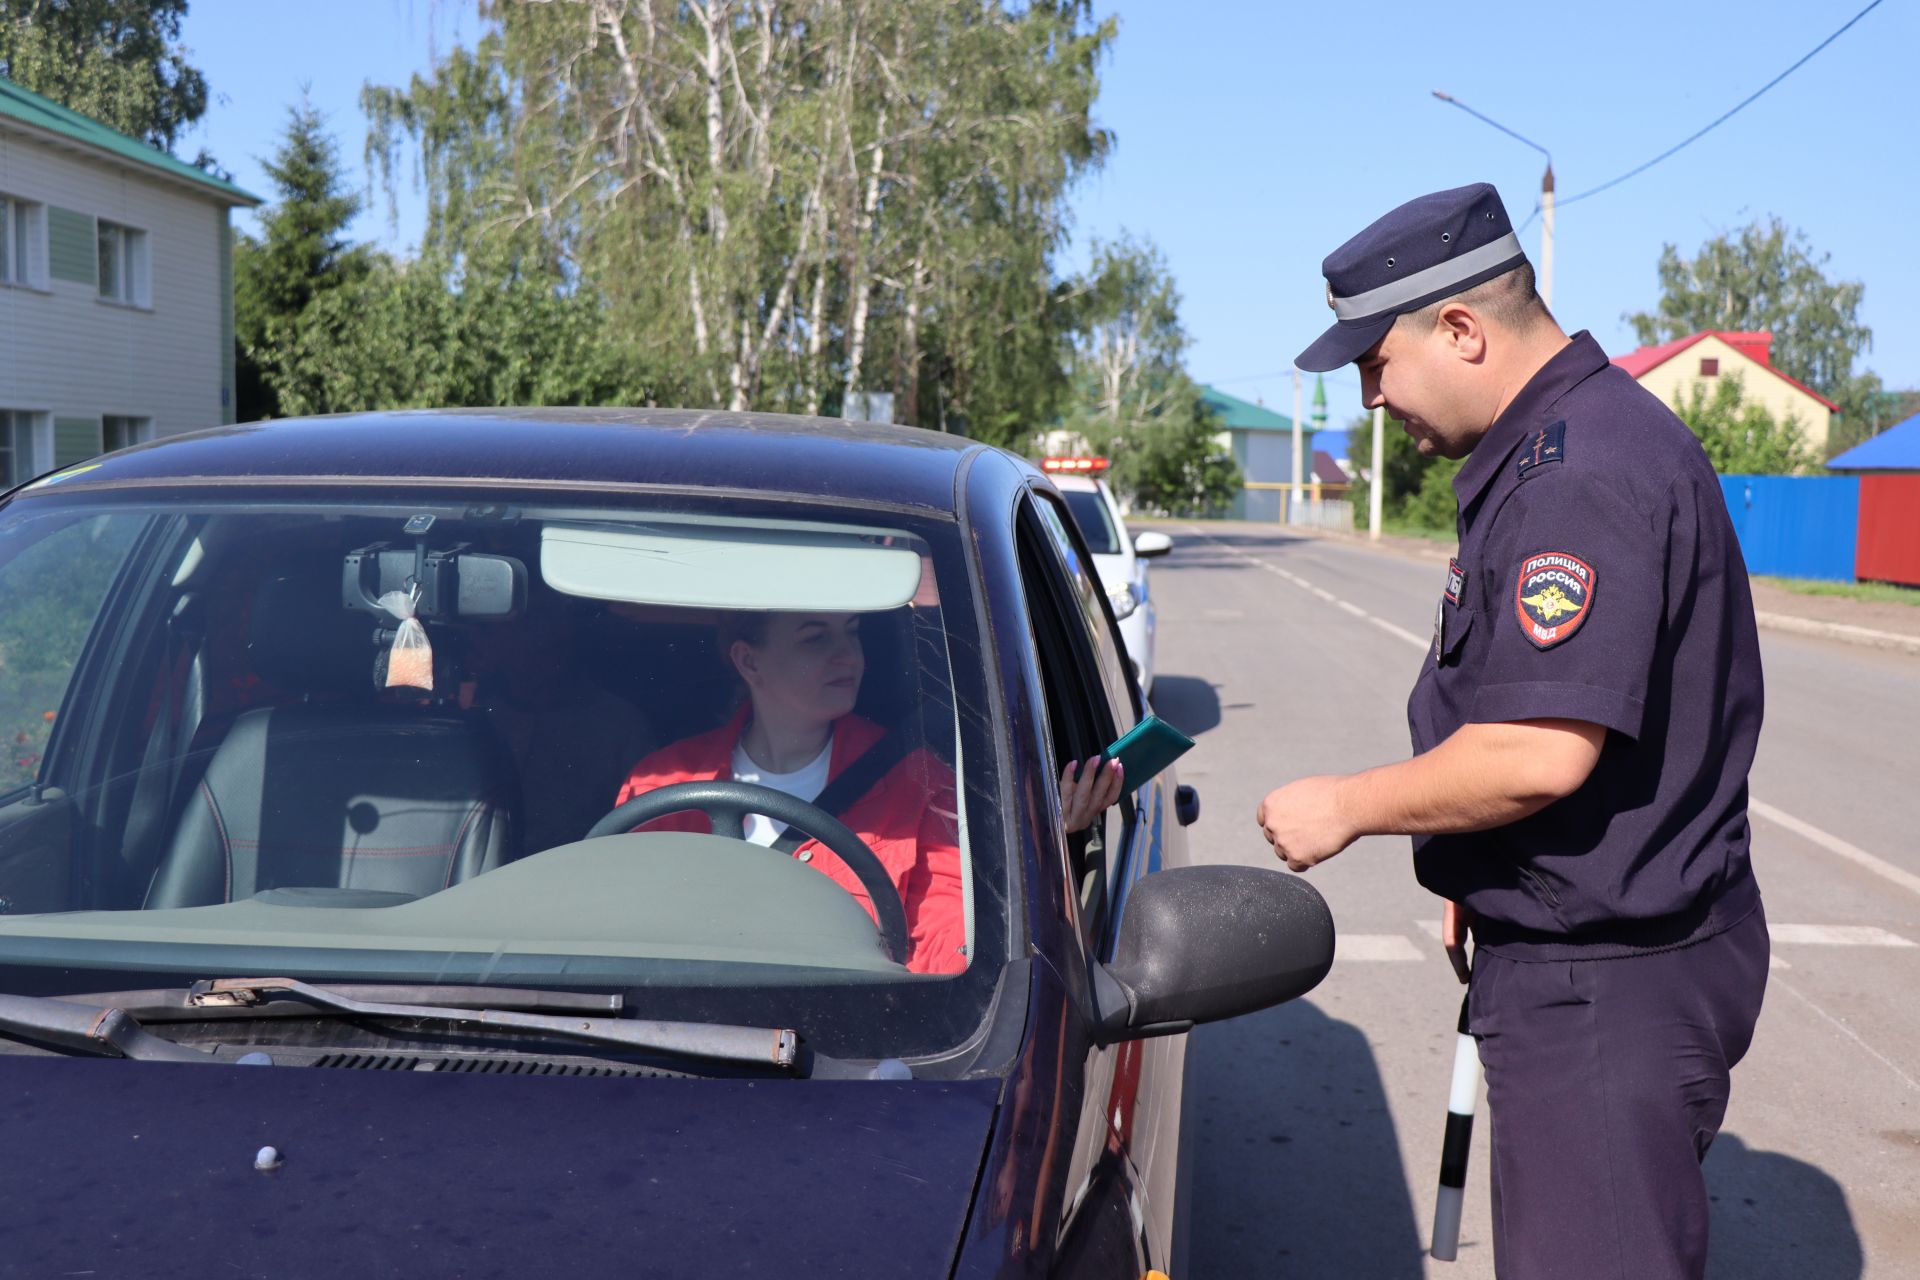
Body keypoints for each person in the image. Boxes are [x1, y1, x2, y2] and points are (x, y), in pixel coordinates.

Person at [1257, 183, 1768, 1279]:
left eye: (1374, 362)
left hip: (1606, 987)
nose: (1371, 396)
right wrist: (1479, 862)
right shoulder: (1573, 440)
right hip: (1606, 957)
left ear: (1460, 329)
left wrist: (1345, 806)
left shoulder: (1574, 476)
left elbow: (1540, 749)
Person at [615, 610, 1123, 975]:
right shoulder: (661, 784)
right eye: (816, 638)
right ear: (749, 662)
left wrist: (1032, 851)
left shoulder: (919, 782)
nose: (848, 655)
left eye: (852, 633)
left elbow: (950, 944)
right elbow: (612, 935)